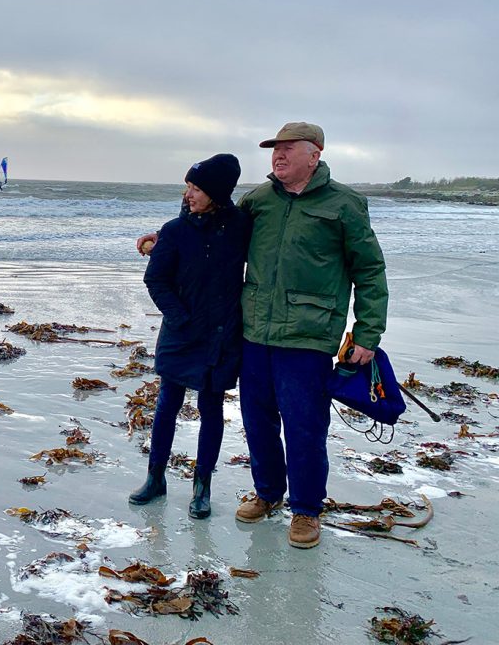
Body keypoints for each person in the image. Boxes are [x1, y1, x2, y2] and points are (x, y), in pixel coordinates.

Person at [136, 122, 388, 549]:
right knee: (257, 421)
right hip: (253, 330)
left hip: (308, 334)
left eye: (289, 148)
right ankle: (268, 493)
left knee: (305, 426)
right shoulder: (260, 200)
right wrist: (164, 240)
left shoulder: (344, 204)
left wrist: (367, 332)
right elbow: (214, 225)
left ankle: (306, 510)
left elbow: (369, 269)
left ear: (315, 154)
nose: (278, 155)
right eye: (275, 149)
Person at [129, 154, 250, 520]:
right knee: (167, 405)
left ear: (217, 193)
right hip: (180, 334)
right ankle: (155, 478)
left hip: (221, 334)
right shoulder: (175, 231)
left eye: (196, 188)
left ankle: (202, 487)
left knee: (212, 409)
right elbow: (156, 280)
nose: (188, 194)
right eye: (188, 187)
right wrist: (180, 317)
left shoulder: (241, 227)